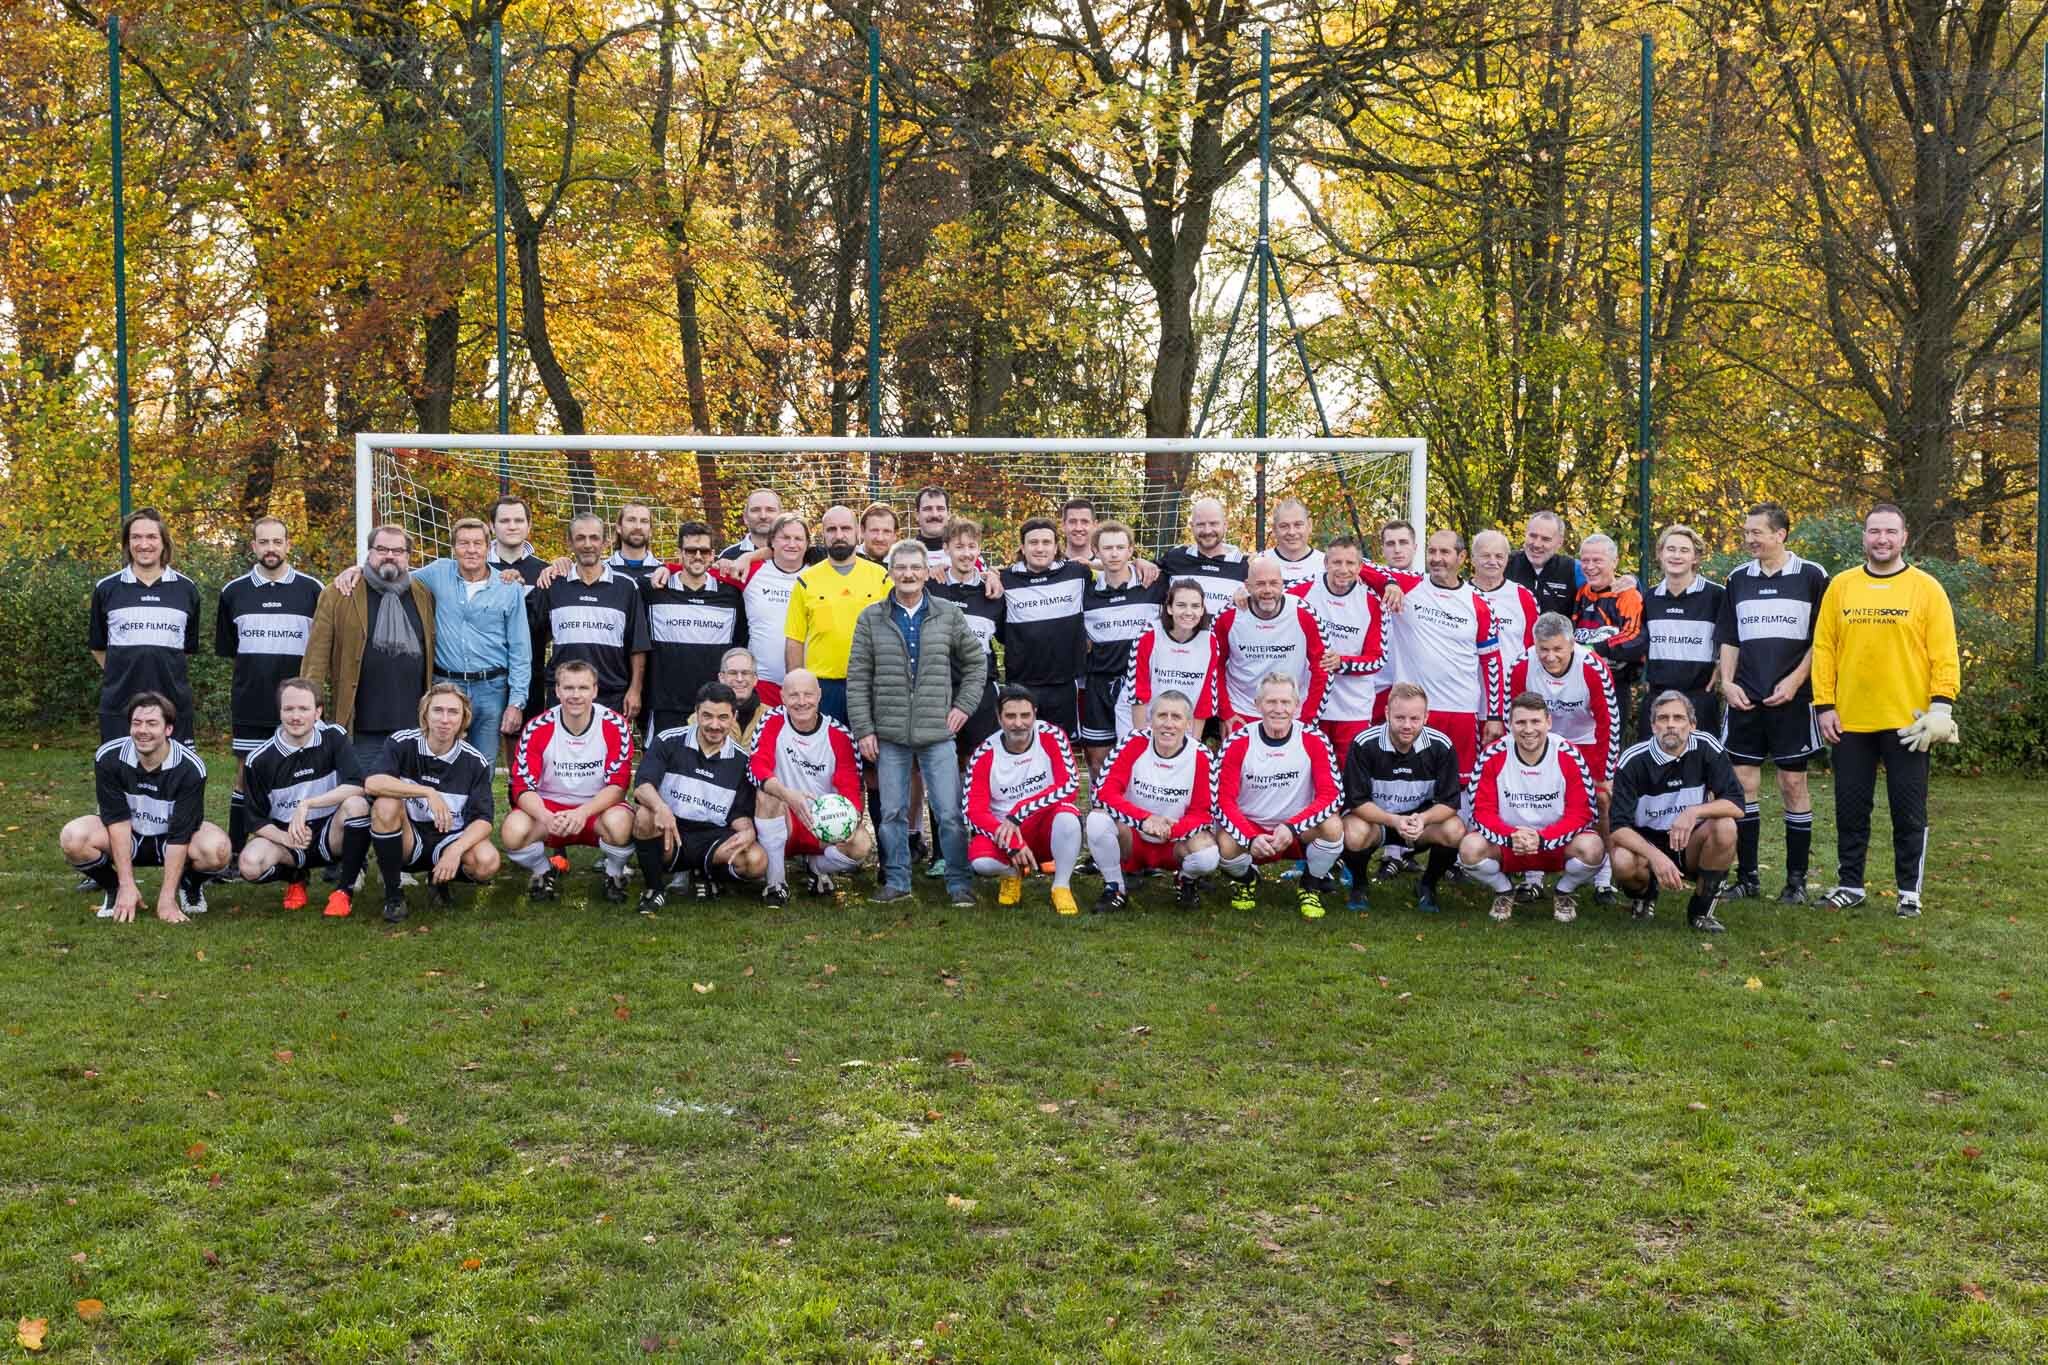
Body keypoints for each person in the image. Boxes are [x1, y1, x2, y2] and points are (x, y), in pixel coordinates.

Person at [1811, 503, 1961, 916]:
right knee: (1851, 808)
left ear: (1904, 537)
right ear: (1864, 536)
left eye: (1890, 532)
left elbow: (1944, 653)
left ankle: (1908, 892)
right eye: (1874, 531)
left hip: (1909, 723)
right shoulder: (1840, 586)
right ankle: (1850, 884)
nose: (1882, 539)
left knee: (1909, 810)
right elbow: (1824, 649)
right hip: (1851, 719)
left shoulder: (1926, 588)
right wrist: (1824, 704)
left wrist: (1941, 708)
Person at [846, 540, 985, 907]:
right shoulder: (871, 617)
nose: (907, 574)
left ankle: (958, 884)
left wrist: (963, 706)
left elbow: (976, 664)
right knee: (891, 813)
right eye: (900, 567)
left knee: (950, 813)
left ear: (926, 572)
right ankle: (897, 881)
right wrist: (864, 729)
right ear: (890, 572)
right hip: (889, 735)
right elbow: (858, 678)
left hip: (938, 733)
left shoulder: (948, 615)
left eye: (915, 568)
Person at [331, 517, 533, 764]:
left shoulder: (508, 588)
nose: (471, 549)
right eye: (463, 543)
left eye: (477, 543)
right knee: (438, 761)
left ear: (487, 547)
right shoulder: (437, 573)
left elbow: (520, 649)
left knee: (483, 764)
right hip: (445, 684)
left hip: (491, 688)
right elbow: (392, 570)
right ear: (454, 548)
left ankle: (477, 805)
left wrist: (516, 702)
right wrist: (359, 569)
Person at [1715, 501, 1829, 904]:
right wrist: (1728, 684)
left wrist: (1797, 681)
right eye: (1747, 533)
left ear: (1780, 534)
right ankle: (1747, 879)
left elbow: (1823, 640)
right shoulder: (1738, 579)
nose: (1749, 540)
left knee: (1792, 783)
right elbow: (1729, 638)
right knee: (1743, 785)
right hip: (1746, 699)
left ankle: (1795, 882)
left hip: (1792, 702)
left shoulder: (1813, 576)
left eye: (1756, 533)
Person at [61, 692, 230, 923]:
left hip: (170, 838)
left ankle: (189, 884)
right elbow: (117, 821)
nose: (142, 730)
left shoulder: (191, 768)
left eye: (152, 723)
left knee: (218, 849)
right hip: (128, 836)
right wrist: (126, 884)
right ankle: (114, 890)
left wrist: (166, 899)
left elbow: (181, 835)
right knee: (73, 836)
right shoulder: (108, 757)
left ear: (168, 729)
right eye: (136, 723)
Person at [215, 516, 324, 854]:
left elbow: (321, 646)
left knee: (305, 774)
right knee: (246, 776)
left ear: (288, 545)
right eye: (264, 542)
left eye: (278, 542)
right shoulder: (233, 592)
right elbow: (230, 650)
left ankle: (311, 848)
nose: (271, 549)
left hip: (299, 706)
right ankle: (234, 851)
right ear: (253, 546)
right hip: (253, 701)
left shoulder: (313, 590)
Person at [1363, 529, 1505, 778]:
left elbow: (1492, 665)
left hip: (1460, 709)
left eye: (1445, 552)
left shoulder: (1480, 605)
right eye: (1432, 551)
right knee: (1408, 780)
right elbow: (1358, 564)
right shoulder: (1410, 584)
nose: (1437, 558)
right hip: (1413, 711)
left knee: (1458, 783)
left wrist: (1494, 715)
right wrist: (1389, 583)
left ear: (1461, 557)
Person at [303, 523, 437, 777]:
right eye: (382, 549)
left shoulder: (422, 594)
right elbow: (316, 658)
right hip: (363, 725)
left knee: (409, 802)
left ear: (408, 556)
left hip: (415, 724)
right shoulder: (340, 593)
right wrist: (310, 707)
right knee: (362, 799)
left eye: (397, 550)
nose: (389, 555)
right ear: (369, 552)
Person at [1460, 692, 1604, 924]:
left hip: (1555, 842)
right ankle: (1504, 890)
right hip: (1509, 843)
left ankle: (1564, 891)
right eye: (1520, 722)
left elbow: (1582, 813)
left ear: (1548, 722)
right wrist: (1511, 836)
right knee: (1469, 848)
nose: (1528, 729)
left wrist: (1543, 838)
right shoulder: (1492, 755)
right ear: (1509, 724)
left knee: (1594, 848)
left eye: (1535, 721)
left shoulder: (1568, 754)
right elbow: (1481, 812)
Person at [363, 684, 501, 923]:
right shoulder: (402, 743)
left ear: (463, 719)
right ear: (425, 714)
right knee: (385, 805)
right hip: (409, 837)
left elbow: (484, 821)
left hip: (449, 839)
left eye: (453, 712)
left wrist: (455, 851)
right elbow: (372, 783)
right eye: (438, 711)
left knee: (487, 861)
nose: (445, 719)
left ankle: (440, 881)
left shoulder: (474, 762)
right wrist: (427, 792)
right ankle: (393, 894)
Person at [502, 659, 636, 904]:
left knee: (621, 823)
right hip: (550, 811)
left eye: (583, 688)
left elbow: (618, 786)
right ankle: (543, 871)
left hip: (597, 809)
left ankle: (614, 874)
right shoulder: (537, 727)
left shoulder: (615, 725)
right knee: (513, 831)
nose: (576, 695)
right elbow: (523, 786)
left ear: (595, 690)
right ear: (557, 691)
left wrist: (582, 813)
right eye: (568, 688)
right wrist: (545, 816)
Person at [236, 678, 373, 918]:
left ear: (318, 712)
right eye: (289, 709)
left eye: (304, 709)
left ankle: (344, 891)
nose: (296, 716)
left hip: (330, 835)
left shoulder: (333, 737)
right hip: (287, 839)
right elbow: (255, 820)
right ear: (280, 712)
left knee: (357, 805)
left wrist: (308, 804)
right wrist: (285, 838)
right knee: (249, 864)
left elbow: (358, 784)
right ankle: (295, 876)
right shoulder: (258, 760)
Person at [1609, 690, 1744, 932]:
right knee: (1621, 860)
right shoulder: (1632, 760)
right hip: (1646, 843)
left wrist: (1692, 813)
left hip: (1688, 841)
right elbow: (1618, 828)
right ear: (1653, 726)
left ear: (1692, 724)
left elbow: (1736, 804)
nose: (1671, 725)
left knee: (1726, 826)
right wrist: (1655, 856)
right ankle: (1644, 895)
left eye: (1678, 718)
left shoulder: (1707, 747)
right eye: (1663, 718)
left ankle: (1701, 910)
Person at [1213, 672, 1346, 918]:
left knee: (1333, 826)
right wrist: (1251, 837)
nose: (1278, 709)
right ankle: (1247, 880)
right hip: (1253, 828)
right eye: (1271, 702)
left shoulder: (1314, 739)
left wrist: (1293, 826)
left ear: (1297, 706)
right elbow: (1222, 801)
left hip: (1297, 829)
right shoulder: (1237, 742)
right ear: (1257, 705)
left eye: (1285, 702)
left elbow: (1332, 795)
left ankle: (1311, 885)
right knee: (1224, 845)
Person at [631, 681, 766, 908]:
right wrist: (661, 808)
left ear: (733, 717)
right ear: (696, 714)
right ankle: (655, 889)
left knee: (756, 861)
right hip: (671, 833)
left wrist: (748, 832)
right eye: (707, 716)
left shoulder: (742, 761)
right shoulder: (669, 740)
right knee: (645, 816)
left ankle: (707, 875)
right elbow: (642, 785)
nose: (715, 725)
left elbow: (739, 813)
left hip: (714, 838)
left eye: (723, 717)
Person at [1084, 689, 1220, 912]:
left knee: (1208, 855)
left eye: (1176, 717)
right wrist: (1145, 819)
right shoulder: (1133, 742)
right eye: (1162, 715)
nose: (1168, 724)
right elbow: (1105, 792)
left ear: (1188, 724)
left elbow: (1203, 812)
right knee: (1097, 820)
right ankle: (1115, 888)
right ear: (1150, 719)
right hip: (1133, 837)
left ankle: (1185, 880)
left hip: (1175, 842)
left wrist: (1170, 830)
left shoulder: (1201, 755)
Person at [1340, 682, 1466, 915]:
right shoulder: (1364, 743)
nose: (1407, 726)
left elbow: (1449, 802)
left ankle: (1427, 885)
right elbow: (1356, 802)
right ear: (1387, 713)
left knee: (1455, 830)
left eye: (1414, 719)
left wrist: (1424, 818)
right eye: (1399, 718)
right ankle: (1359, 884)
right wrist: (1393, 820)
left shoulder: (1441, 746)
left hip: (1419, 823)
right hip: (1378, 822)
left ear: (1426, 717)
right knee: (1351, 832)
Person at [749, 668, 873, 902]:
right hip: (783, 820)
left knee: (861, 844)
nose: (802, 702)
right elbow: (756, 767)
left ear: (819, 696)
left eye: (808, 694)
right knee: (766, 795)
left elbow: (851, 786)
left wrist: (851, 818)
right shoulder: (771, 720)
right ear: (783, 697)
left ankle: (818, 868)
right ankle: (776, 883)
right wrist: (787, 794)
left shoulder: (839, 734)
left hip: (822, 822)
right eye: (794, 695)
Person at [962, 686, 1084, 914]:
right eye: (1010, 716)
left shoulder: (1052, 735)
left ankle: (1061, 886)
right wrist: (1011, 842)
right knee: (981, 862)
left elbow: (1069, 785)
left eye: (1025, 715)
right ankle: (1012, 874)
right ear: (999, 718)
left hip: (1044, 824)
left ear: (1035, 714)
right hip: (1005, 832)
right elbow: (973, 811)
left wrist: (1019, 812)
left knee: (1068, 817)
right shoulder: (984, 753)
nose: (1019, 723)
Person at [91, 508, 202, 743]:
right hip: (119, 707)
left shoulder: (187, 590)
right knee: (120, 775)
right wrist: (122, 673)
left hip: (173, 705)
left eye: (151, 537)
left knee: (174, 776)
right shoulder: (106, 589)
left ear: (164, 542)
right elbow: (98, 646)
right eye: (136, 537)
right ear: (127, 543)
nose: (144, 544)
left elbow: (186, 650)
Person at [531, 513, 651, 719]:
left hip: (611, 694)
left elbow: (637, 646)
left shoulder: (626, 587)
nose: (588, 544)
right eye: (580, 538)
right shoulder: (553, 584)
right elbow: (532, 638)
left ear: (606, 542)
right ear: (570, 542)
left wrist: (635, 690)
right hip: (563, 694)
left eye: (594, 538)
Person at [785, 505, 891, 727]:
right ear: (822, 534)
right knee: (828, 754)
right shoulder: (806, 581)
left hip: (870, 683)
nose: (839, 535)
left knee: (870, 754)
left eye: (845, 528)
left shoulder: (881, 577)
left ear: (858, 533)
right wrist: (797, 687)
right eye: (831, 529)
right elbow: (795, 640)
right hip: (823, 687)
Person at [639, 520, 741, 740]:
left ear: (713, 554)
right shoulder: (653, 590)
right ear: (679, 553)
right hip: (665, 706)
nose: (697, 556)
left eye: (704, 551)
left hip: (713, 708)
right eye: (690, 550)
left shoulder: (731, 595)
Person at [1289, 534, 1386, 755]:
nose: (1343, 569)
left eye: (1350, 563)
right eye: (1337, 562)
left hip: (1353, 708)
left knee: (1350, 776)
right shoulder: (1303, 590)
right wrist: (1244, 593)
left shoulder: (1371, 602)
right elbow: (1270, 597)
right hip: (1309, 704)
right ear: (1325, 563)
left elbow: (1377, 659)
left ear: (1360, 566)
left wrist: (1341, 662)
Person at [1080, 520, 1166, 771]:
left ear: (1131, 551)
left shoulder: (1154, 585)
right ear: (1096, 550)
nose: (1114, 553)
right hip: (1099, 684)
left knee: (1143, 755)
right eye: (1107, 548)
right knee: (1098, 760)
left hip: (1143, 685)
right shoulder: (1086, 591)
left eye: (1120, 547)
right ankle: (1101, 809)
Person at [1213, 556, 1331, 732]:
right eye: (1260, 584)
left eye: (1273, 583)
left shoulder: (1304, 613)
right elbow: (1215, 665)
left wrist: (1308, 717)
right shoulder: (1228, 616)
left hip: (1291, 712)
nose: (1267, 590)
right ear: (1247, 586)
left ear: (1282, 584)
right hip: (1242, 710)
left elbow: (1322, 667)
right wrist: (1226, 712)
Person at [998, 517, 1091, 737]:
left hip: (1066, 684)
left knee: (1062, 750)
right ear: (1022, 547)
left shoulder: (1077, 573)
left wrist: (1139, 563)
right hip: (1022, 685)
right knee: (1021, 748)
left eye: (1046, 542)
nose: (1040, 548)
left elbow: (1114, 566)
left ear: (1056, 546)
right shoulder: (1004, 579)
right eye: (1033, 542)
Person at [928, 516, 1005, 754]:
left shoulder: (992, 592)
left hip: (981, 689)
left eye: (972, 547)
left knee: (980, 759)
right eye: (959, 547)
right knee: (942, 759)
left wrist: (993, 574)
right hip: (940, 688)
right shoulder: (931, 587)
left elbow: (1006, 639)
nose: (966, 554)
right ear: (946, 548)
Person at [1640, 525, 1725, 737]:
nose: (1676, 556)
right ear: (1660, 554)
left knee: (1701, 767)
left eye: (1684, 550)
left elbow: (1733, 639)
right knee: (1653, 766)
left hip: (1700, 698)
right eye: (1671, 549)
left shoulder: (1716, 596)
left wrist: (1722, 667)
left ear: (1695, 558)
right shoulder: (1649, 598)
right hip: (1658, 697)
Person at [1572, 533, 1646, 738]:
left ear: (1614, 562)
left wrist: (1593, 650)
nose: (1590, 566)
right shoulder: (1583, 592)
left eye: (1597, 560)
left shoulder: (1628, 595)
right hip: (1579, 683)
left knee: (1608, 748)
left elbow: (1636, 638)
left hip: (1614, 685)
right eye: (1585, 560)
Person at [1127, 581, 1220, 734]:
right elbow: (1138, 691)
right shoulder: (1150, 635)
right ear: (1169, 608)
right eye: (1181, 605)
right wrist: (1140, 737)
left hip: (1183, 721)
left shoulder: (1209, 641)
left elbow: (1205, 697)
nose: (1189, 612)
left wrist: (1194, 743)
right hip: (1142, 717)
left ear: (1203, 610)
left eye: (1195, 606)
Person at [1158, 496, 1250, 617]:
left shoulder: (1246, 565)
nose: (1207, 530)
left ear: (1225, 525)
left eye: (1213, 524)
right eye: (1201, 524)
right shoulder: (1175, 558)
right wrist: (1139, 562)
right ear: (1192, 526)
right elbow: (1145, 571)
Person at [1470, 529, 1539, 671]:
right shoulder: (1460, 594)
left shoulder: (1523, 596)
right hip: (1466, 687)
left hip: (1510, 688)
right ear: (1472, 559)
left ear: (1507, 559)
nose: (1492, 561)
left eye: (1499, 556)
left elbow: (1534, 647)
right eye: (1485, 555)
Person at [1506, 510, 1585, 619]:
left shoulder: (1574, 569)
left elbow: (1604, 589)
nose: (1537, 544)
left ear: (1559, 542)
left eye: (1546, 539)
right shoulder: (1505, 564)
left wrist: (1617, 584)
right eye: (1533, 536)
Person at [486, 496, 549, 585]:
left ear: (529, 526)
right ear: (492, 526)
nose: (512, 527)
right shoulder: (474, 569)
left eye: (519, 521)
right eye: (504, 521)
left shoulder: (545, 573)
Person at [718, 648, 769, 749]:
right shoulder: (702, 717)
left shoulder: (773, 718)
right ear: (721, 678)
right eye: (732, 673)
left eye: (745, 673)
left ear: (755, 679)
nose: (739, 679)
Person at [1268, 498, 1324, 587]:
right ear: (1274, 529)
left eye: (1298, 525)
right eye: (1284, 526)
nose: (1292, 532)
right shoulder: (1259, 562)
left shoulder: (1326, 565)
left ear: (1310, 525)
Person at [719, 487, 784, 561]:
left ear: (781, 516)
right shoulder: (728, 556)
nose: (763, 516)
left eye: (770, 510)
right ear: (745, 518)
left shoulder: (794, 553)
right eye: (755, 510)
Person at [605, 502, 661, 582]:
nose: (638, 527)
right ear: (618, 527)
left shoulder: (663, 572)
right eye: (631, 520)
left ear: (651, 530)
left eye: (644, 521)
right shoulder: (603, 570)